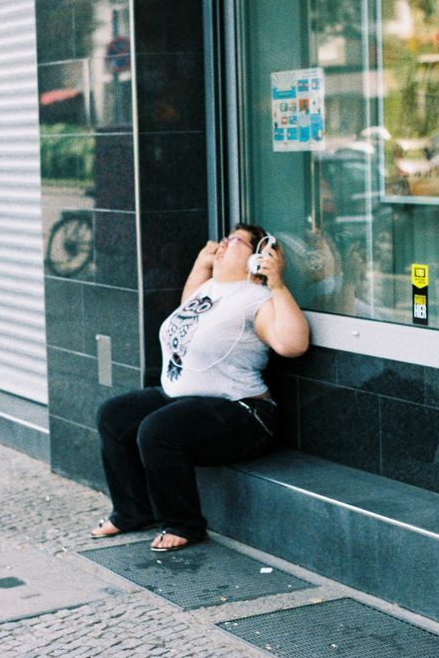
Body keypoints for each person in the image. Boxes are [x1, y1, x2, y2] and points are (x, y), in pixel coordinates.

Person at [91, 223, 310, 552]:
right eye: (223, 239)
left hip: (244, 411)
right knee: (114, 415)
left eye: (234, 241)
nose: (222, 245)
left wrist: (277, 284)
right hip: (185, 400)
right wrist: (201, 263)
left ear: (257, 258)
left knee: (157, 430)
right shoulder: (210, 289)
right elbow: (186, 310)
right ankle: (133, 511)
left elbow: (292, 345)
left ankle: (184, 524)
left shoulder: (257, 299)